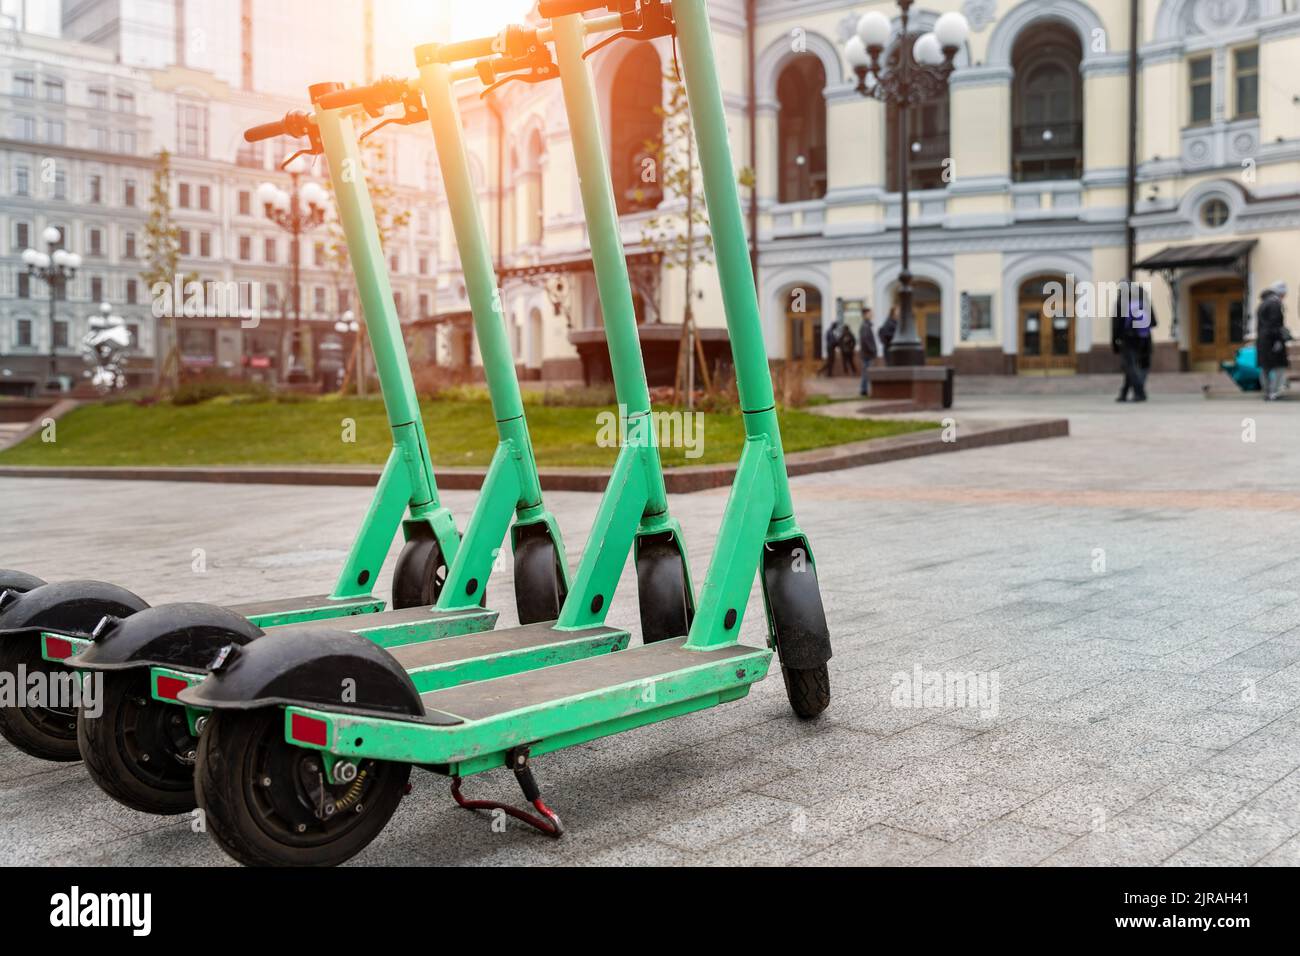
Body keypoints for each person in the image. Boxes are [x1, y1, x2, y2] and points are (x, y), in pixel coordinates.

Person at [1112, 285, 1156, 402]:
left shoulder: (1121, 303)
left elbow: (1116, 325)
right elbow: (1154, 322)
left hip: (1128, 339)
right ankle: (1124, 393)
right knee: (1133, 367)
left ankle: (1139, 392)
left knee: (1130, 367)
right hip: (1144, 339)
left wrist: (1115, 343)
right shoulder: (1144, 302)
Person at [1257, 280, 1291, 401]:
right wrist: (1278, 340)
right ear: (1281, 293)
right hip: (1272, 340)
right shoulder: (1275, 304)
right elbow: (1275, 323)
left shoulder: (1263, 303)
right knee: (1279, 366)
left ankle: (1267, 392)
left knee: (1265, 367)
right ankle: (1274, 392)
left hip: (1262, 340)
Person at [858, 307, 878, 397]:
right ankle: (864, 390)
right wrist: (873, 349)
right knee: (867, 372)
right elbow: (866, 340)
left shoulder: (866, 325)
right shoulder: (865, 326)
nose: (872, 315)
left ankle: (864, 389)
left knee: (866, 372)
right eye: (870, 313)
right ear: (865, 315)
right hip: (867, 354)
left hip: (866, 353)